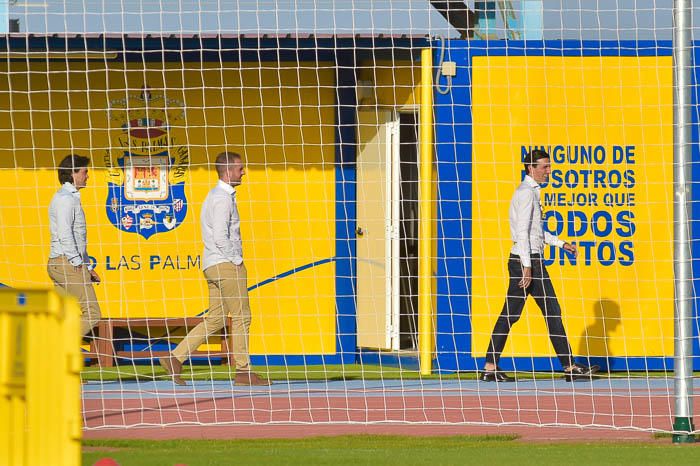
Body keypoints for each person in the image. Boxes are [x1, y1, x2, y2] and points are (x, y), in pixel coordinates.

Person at [481, 149, 599, 382]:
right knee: (533, 312)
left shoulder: (531, 192)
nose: (549, 171)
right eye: (544, 167)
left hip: (528, 260)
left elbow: (535, 231)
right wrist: (527, 266)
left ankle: (491, 366)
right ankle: (567, 367)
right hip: (525, 262)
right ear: (530, 168)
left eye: (549, 166)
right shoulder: (526, 193)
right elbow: (522, 233)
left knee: (529, 313)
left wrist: (560, 243)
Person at [160, 151, 270, 386]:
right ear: (228, 171)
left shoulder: (215, 195)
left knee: (216, 319)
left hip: (212, 263)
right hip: (225, 263)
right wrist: (236, 260)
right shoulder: (222, 198)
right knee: (242, 316)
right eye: (240, 168)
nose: (244, 172)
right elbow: (221, 235)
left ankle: (175, 357)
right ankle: (243, 370)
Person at [47, 154, 102, 338]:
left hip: (62, 263)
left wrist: (87, 266)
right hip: (66, 263)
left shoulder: (69, 197)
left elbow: (78, 239)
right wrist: (77, 263)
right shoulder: (65, 199)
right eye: (85, 172)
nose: (88, 176)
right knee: (93, 313)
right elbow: (65, 235)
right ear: (73, 173)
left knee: (61, 316)